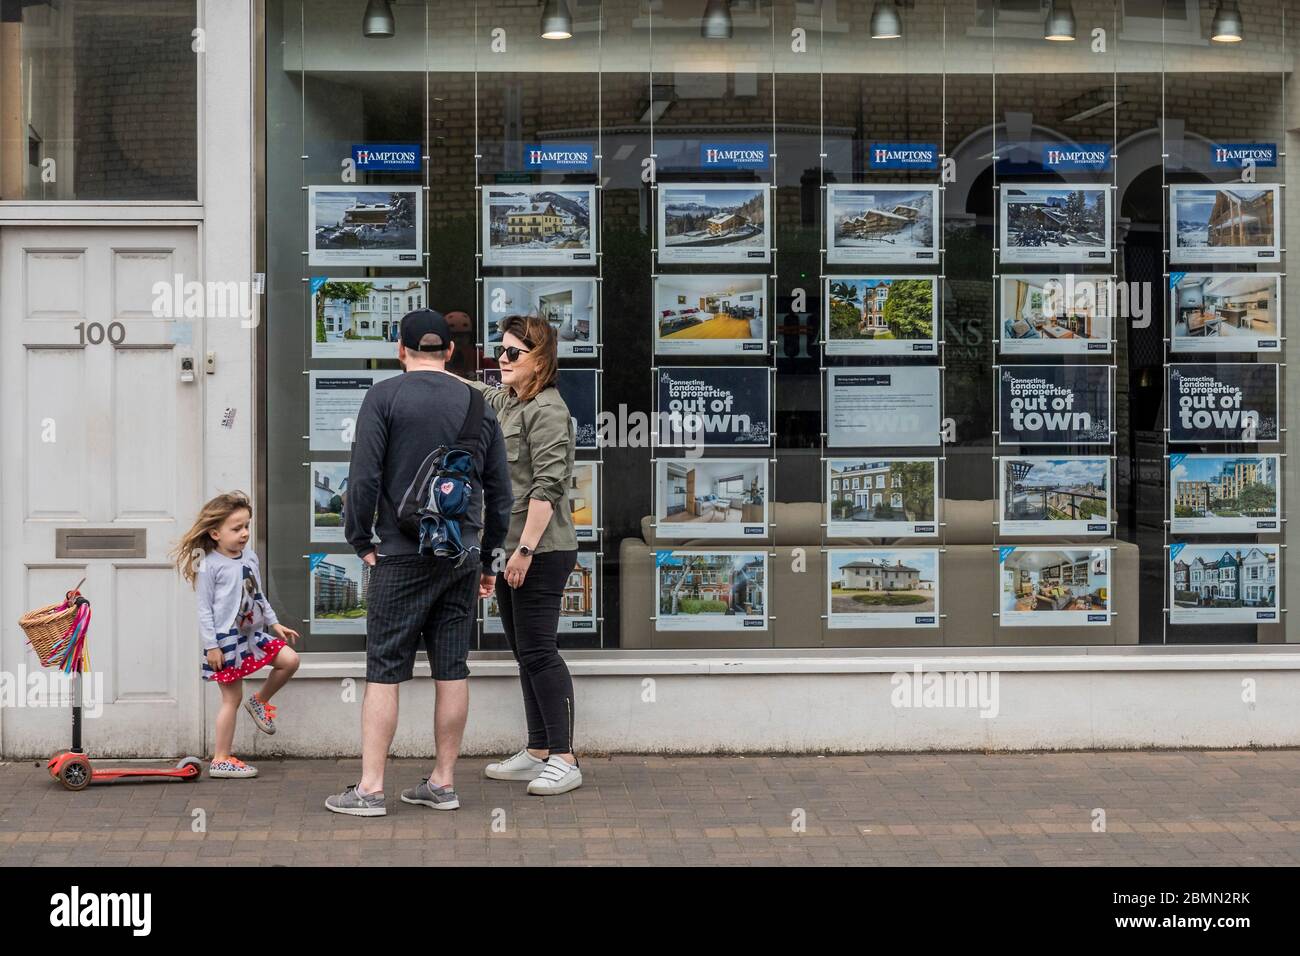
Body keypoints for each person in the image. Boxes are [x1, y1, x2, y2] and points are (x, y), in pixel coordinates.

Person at [326, 308, 511, 817]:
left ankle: (369, 789)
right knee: (452, 667)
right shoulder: (478, 401)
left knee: (385, 669)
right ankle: (444, 783)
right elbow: (500, 492)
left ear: (400, 349)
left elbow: (362, 479)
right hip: (461, 556)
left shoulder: (384, 396)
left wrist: (361, 539)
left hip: (400, 553)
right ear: (450, 351)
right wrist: (489, 560)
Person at [469, 314, 583, 796]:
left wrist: (524, 551)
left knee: (539, 651)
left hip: (540, 550)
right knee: (524, 653)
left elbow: (548, 488)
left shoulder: (549, 412)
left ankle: (564, 757)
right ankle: (538, 749)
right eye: (501, 350)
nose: (503, 359)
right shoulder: (512, 402)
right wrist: (431, 369)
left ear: (541, 359)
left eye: (513, 352)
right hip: (512, 549)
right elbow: (478, 391)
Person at [172, 491, 301, 779]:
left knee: (290, 660)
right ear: (215, 533)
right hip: (226, 640)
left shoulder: (250, 557)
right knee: (230, 699)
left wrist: (274, 623)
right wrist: (211, 647)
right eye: (236, 528)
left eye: (246, 526)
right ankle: (221, 759)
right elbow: (204, 609)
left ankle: (259, 701)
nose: (244, 533)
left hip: (252, 634)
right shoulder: (209, 565)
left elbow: (258, 594)